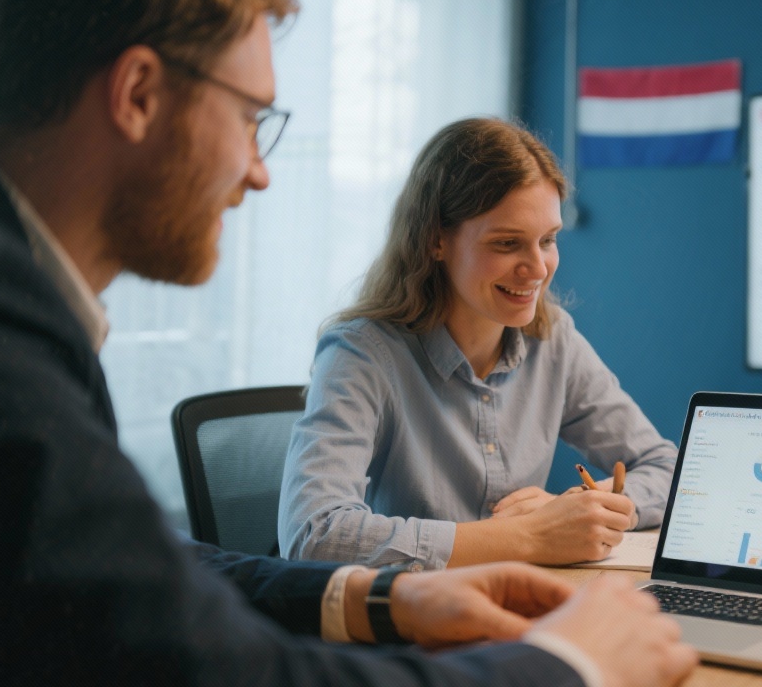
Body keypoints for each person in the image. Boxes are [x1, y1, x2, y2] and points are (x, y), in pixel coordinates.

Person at [0, 0, 698, 685]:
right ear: (138, 94)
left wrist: (380, 597)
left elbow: (147, 573)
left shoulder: (2, 302)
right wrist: (570, 666)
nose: (260, 170)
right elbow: (220, 664)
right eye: (250, 116)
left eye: (548, 240)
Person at [278, 118, 677, 570]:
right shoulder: (363, 353)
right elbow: (314, 534)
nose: (538, 268)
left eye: (547, 240)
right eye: (507, 243)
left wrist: (580, 509)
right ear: (436, 240)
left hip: (521, 600)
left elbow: (668, 469)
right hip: (416, 610)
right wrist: (528, 538)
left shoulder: (554, 341)